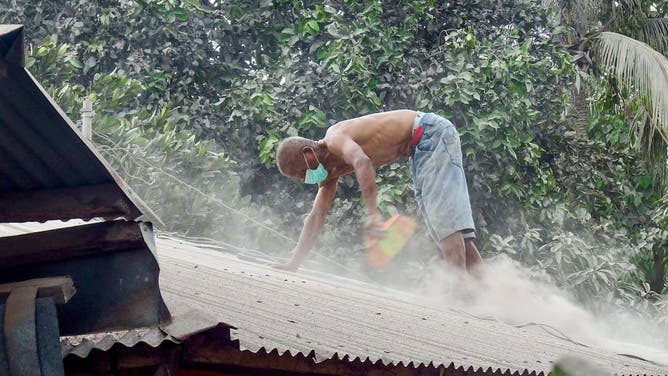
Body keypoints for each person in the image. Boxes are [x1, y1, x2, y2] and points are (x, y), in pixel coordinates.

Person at [273, 109, 482, 273]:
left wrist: (373, 214)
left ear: (308, 153)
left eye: (301, 172)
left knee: (443, 218)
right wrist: (294, 263)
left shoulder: (335, 138)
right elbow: (317, 216)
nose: (305, 179)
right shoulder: (329, 174)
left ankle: (460, 292)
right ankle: (490, 290)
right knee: (443, 225)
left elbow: (362, 162)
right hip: (418, 149)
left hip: (428, 132)